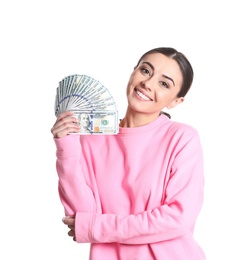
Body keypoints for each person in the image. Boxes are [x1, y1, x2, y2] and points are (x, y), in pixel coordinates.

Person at [51, 47, 206, 260]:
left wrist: (97, 226)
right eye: (145, 71)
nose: (148, 83)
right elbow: (82, 216)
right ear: (133, 72)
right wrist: (66, 146)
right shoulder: (92, 139)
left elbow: (178, 219)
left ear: (175, 101)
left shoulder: (182, 138)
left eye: (164, 83)